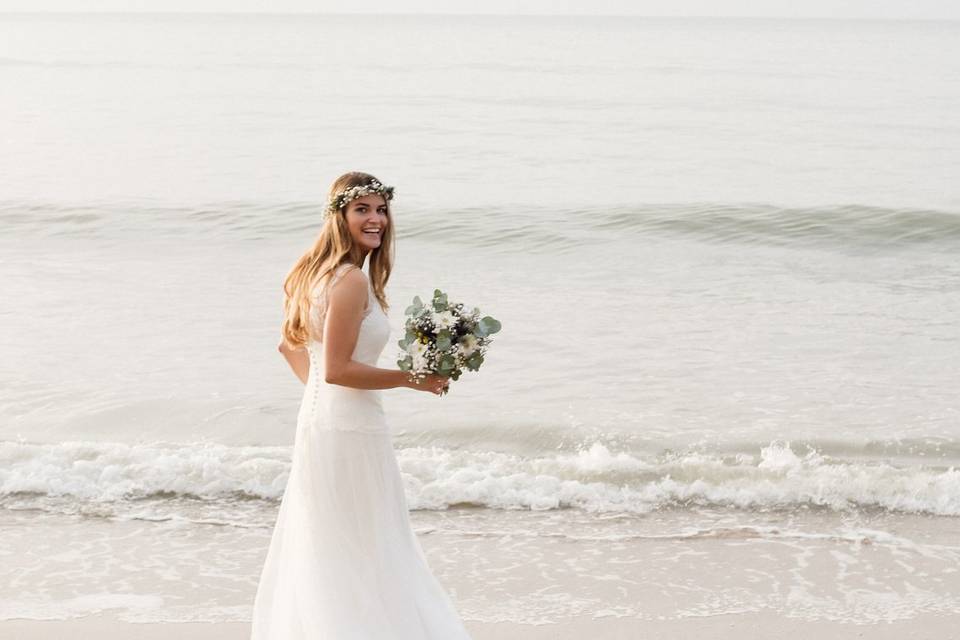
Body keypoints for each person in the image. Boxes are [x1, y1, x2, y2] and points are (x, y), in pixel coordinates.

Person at [250, 171, 472, 639]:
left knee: (335, 549)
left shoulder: (313, 274)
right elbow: (337, 369)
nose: (376, 220)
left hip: (321, 424)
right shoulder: (349, 281)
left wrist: (324, 403)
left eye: (381, 209)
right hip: (350, 429)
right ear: (340, 215)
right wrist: (415, 379)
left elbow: (290, 349)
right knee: (371, 548)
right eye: (363, 210)